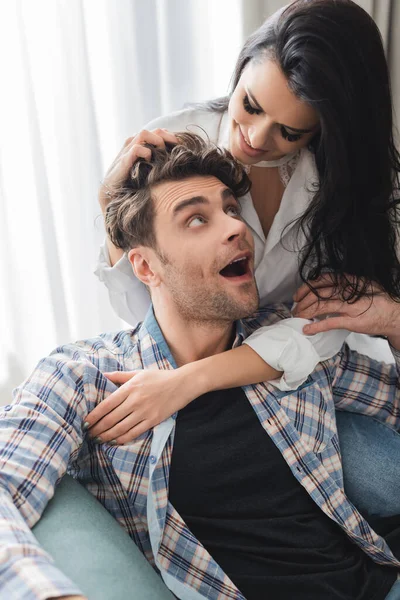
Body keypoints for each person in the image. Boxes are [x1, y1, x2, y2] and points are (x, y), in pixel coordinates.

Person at [2, 134, 400, 599]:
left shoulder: (289, 339)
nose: (235, 228)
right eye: (196, 219)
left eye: (232, 209)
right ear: (146, 268)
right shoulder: (86, 376)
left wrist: (393, 322)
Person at [90, 0, 400, 518]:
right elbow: (143, 300)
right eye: (250, 105)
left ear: (324, 129)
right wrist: (111, 211)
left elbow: (316, 330)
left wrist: (198, 379)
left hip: (280, 369)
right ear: (239, 72)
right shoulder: (172, 141)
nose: (255, 139)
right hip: (186, 360)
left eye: (290, 131)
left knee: (385, 481)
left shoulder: (334, 188)